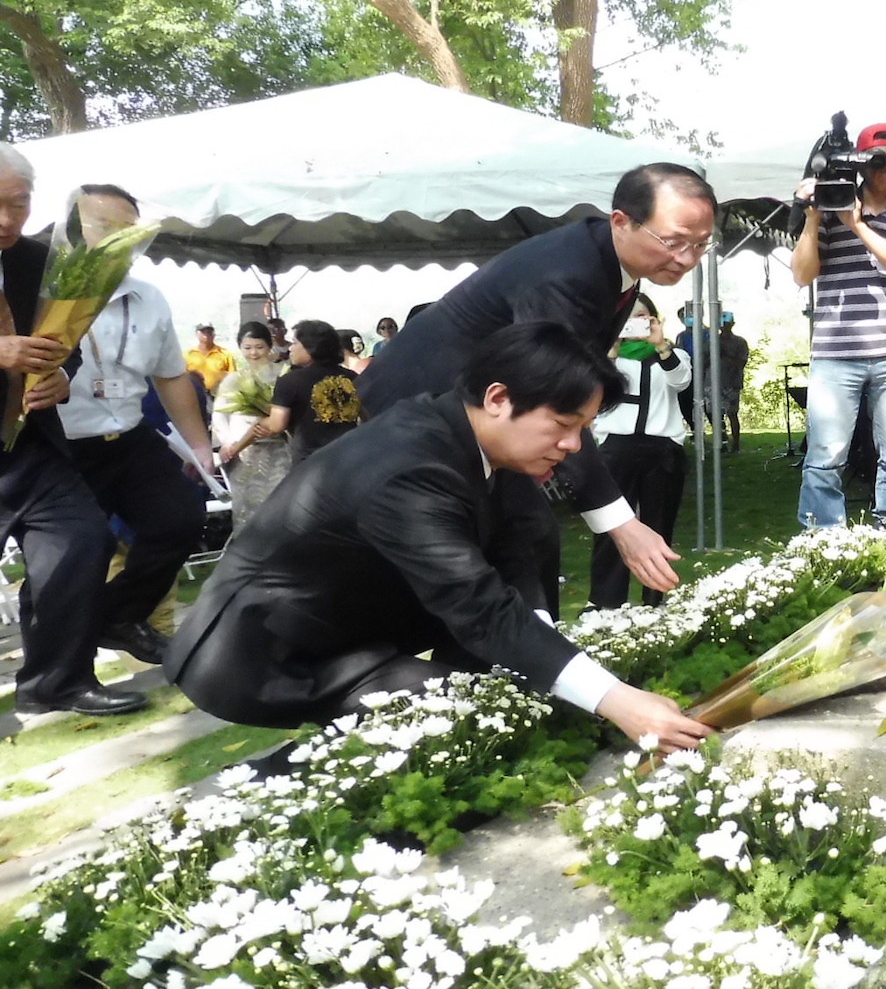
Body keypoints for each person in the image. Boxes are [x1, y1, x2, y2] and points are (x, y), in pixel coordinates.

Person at [166, 321, 712, 752]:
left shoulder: (476, 436)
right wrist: (617, 700)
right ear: (498, 398)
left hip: (363, 619)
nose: (574, 446)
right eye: (564, 425)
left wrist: (546, 651)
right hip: (264, 650)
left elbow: (515, 548)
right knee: (453, 724)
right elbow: (477, 604)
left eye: (584, 429)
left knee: (508, 700)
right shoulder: (409, 467)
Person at [357, 163, 717, 607]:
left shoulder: (611, 265)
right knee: (487, 554)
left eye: (701, 245)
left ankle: (523, 667)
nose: (686, 259)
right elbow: (554, 398)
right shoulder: (567, 275)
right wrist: (624, 525)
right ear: (621, 221)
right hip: (413, 416)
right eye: (673, 241)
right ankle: (515, 668)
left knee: (528, 538)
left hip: (485, 418)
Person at [0, 143, 146, 716]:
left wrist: (60, 374)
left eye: (19, 204)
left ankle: (54, 682)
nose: (7, 220)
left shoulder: (43, 262)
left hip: (31, 447)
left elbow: (66, 344)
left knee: (83, 542)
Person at [57, 185, 215, 665]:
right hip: (61, 446)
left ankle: (119, 617)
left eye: (129, 233)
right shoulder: (43, 292)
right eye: (104, 229)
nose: (118, 242)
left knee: (180, 518)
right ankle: (60, 667)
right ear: (72, 230)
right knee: (75, 552)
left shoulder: (148, 298)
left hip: (128, 435)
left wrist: (200, 448)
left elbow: (170, 377)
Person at [791, 122, 886, 528]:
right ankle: (824, 538)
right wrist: (814, 217)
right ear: (860, 164)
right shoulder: (830, 209)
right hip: (835, 352)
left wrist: (857, 226)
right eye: (878, 159)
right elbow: (803, 275)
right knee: (826, 452)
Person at [588, 296, 689, 608]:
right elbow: (594, 387)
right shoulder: (607, 358)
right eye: (627, 318)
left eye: (642, 317)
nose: (635, 324)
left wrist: (661, 346)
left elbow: (681, 380)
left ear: (654, 320)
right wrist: (612, 346)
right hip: (616, 447)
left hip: (662, 448)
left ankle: (655, 599)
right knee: (612, 525)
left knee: (659, 524)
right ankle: (605, 601)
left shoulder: (673, 355)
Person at [213, 320, 292, 530]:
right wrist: (227, 443)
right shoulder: (232, 380)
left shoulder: (284, 375)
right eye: (247, 348)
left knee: (280, 501)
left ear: (269, 346)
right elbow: (220, 416)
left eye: (259, 347)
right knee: (247, 507)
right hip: (244, 450)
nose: (254, 353)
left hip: (278, 448)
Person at [249, 320, 361, 464]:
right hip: (349, 456)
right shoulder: (351, 377)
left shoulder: (289, 381)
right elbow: (365, 414)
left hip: (311, 464)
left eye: (295, 343)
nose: (290, 348)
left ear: (311, 347)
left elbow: (277, 424)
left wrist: (260, 423)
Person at [715, 312, 749, 453]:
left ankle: (735, 444)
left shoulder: (740, 342)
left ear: (732, 324)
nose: (724, 328)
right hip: (714, 382)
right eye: (722, 325)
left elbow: (741, 362)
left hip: (732, 382)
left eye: (727, 324)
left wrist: (725, 354)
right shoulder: (712, 341)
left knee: (732, 414)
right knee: (716, 415)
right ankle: (721, 443)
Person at [183, 324, 237, 395]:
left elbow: (233, 377)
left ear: (214, 335)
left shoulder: (225, 354)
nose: (206, 334)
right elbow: (182, 377)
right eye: (203, 332)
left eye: (209, 332)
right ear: (197, 334)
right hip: (195, 394)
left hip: (219, 395)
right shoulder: (188, 355)